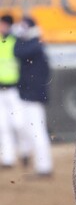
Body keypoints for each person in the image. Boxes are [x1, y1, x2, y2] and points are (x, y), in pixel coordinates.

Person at [12, 16, 52, 177]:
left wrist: (16, 36)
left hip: (33, 97)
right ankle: (37, 161)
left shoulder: (34, 45)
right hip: (30, 96)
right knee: (29, 128)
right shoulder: (35, 44)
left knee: (37, 131)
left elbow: (17, 52)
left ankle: (44, 167)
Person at [0, 14, 24, 169]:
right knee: (3, 126)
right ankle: (7, 158)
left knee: (19, 124)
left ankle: (25, 151)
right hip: (1, 90)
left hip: (14, 89)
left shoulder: (15, 41)